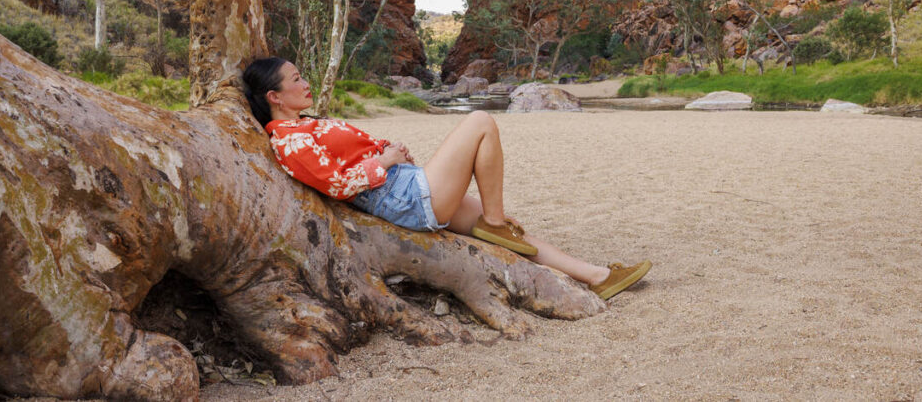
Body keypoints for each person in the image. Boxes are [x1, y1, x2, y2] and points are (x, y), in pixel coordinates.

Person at [243, 57, 650, 301]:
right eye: (296, 79)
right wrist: (385, 160)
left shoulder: (304, 125)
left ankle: (597, 277)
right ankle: (494, 220)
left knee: (516, 235)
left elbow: (353, 156)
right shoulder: (288, 140)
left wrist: (388, 150)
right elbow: (335, 183)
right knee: (480, 121)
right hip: (402, 198)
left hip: (404, 185)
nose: (305, 83)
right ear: (274, 97)